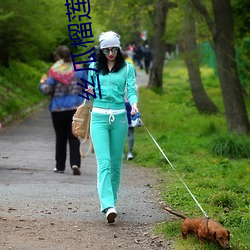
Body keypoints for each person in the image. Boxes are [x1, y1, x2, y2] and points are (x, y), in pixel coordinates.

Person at [85, 31, 138, 223]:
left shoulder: (127, 68)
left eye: (114, 49)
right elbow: (88, 98)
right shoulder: (93, 67)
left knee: (116, 164)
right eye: (106, 50)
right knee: (104, 163)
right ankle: (107, 205)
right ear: (101, 50)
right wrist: (88, 91)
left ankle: (112, 201)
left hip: (120, 119)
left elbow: (131, 90)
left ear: (119, 48)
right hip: (98, 118)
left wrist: (134, 104)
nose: (110, 53)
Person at [39, 45, 87, 176]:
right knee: (74, 136)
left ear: (58, 57)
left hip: (58, 109)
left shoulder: (55, 72)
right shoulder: (79, 70)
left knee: (60, 138)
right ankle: (75, 163)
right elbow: (87, 87)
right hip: (75, 109)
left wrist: (42, 83)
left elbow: (47, 90)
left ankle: (60, 166)